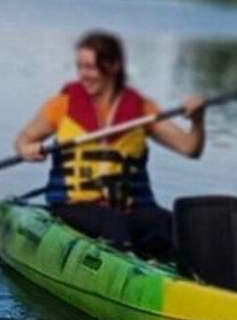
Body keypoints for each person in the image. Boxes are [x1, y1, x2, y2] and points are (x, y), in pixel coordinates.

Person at [14, 30, 205, 259]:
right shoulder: (62, 106)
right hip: (75, 205)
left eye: (90, 67)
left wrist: (197, 119)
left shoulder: (142, 110)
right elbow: (24, 139)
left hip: (132, 207)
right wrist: (27, 149)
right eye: (80, 67)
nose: (83, 75)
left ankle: (191, 277)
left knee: (167, 224)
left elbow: (190, 148)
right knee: (115, 224)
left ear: (114, 66)